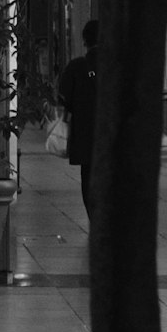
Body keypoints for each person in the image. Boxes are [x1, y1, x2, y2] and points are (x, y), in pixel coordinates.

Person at [58, 18, 98, 213]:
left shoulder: (76, 67)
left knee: (89, 179)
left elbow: (63, 98)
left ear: (85, 40)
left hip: (85, 134)